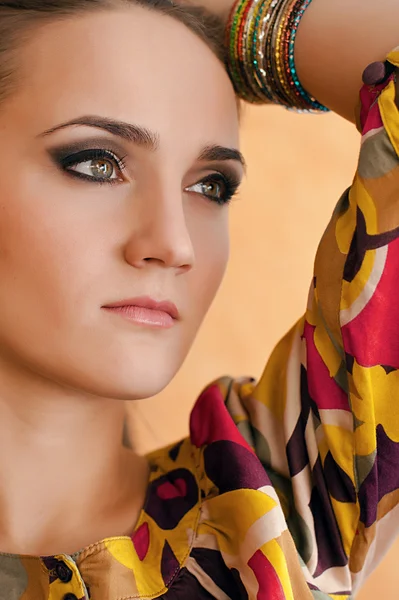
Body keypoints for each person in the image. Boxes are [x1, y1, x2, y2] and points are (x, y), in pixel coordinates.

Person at [0, 0, 397, 599]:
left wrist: (216, 14)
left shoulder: (271, 516)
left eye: (210, 186)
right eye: (97, 164)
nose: (174, 242)